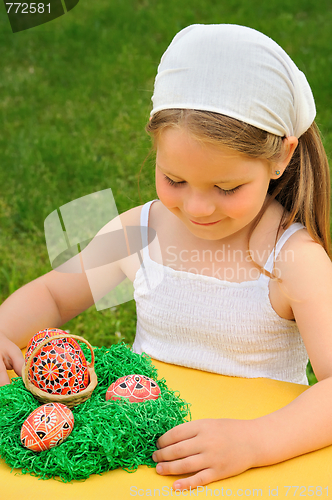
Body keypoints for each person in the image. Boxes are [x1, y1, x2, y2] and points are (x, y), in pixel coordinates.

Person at [1, 23, 332, 490]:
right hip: (136, 459)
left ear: (281, 157)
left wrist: (256, 441)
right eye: (174, 180)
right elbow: (55, 295)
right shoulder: (140, 231)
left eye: (227, 188)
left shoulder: (294, 261)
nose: (197, 208)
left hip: (251, 472)